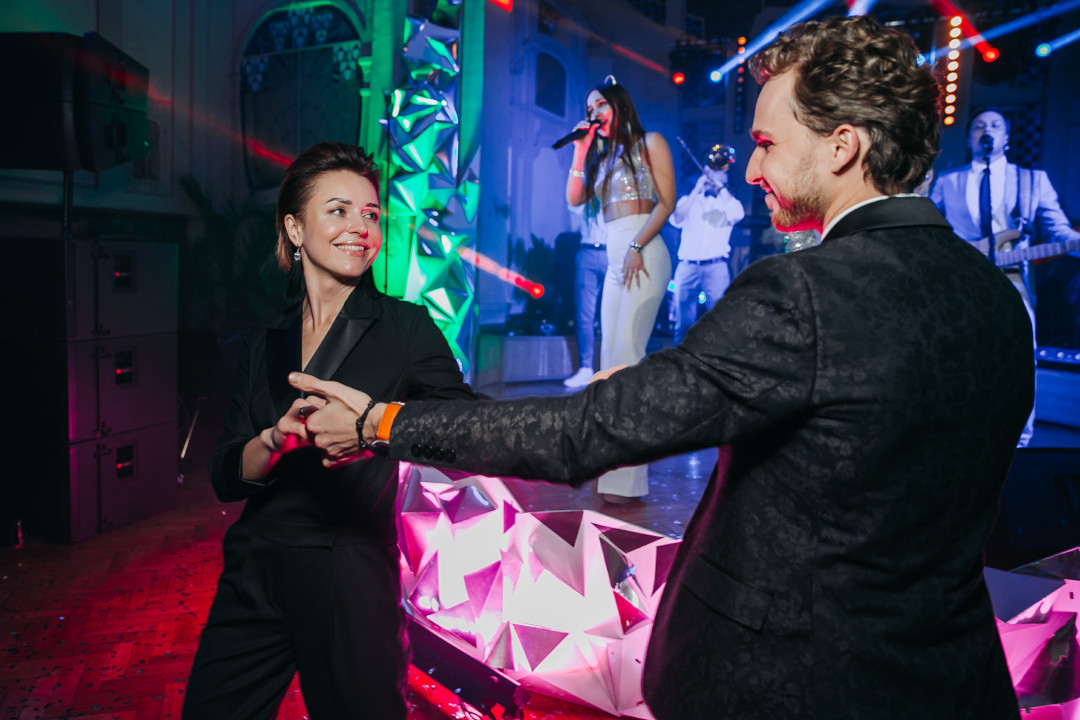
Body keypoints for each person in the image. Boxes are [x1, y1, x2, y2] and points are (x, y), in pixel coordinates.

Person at [292, 16, 1032, 719]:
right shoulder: (995, 299)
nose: (751, 169)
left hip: (792, 686)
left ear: (841, 146)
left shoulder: (804, 292)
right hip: (952, 683)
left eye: (766, 144)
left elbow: (582, 433)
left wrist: (379, 422)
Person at [182, 142, 474, 720]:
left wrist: (374, 427)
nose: (361, 228)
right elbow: (224, 476)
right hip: (256, 567)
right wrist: (273, 442)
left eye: (371, 214)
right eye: (338, 211)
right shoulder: (266, 341)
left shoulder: (406, 327)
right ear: (295, 228)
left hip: (350, 574)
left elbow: (465, 434)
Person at [931, 108, 1080, 446]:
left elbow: (1058, 231)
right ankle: (957, 434)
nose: (987, 130)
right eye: (979, 126)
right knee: (959, 354)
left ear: (1007, 138)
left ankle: (1020, 441)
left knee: (1019, 356)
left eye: (996, 125)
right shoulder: (947, 181)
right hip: (961, 280)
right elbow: (929, 231)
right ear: (969, 138)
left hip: (1012, 279)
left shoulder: (1032, 180)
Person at [564, 75, 676, 502]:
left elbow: (667, 202)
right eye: (589, 109)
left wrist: (635, 246)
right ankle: (610, 467)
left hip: (642, 251)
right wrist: (580, 150)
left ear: (619, 104)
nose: (595, 114)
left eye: (601, 106)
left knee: (628, 356)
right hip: (616, 256)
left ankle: (627, 482)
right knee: (609, 360)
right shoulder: (603, 158)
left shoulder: (651, 142)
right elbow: (574, 198)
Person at [668, 154, 745, 344]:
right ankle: (680, 359)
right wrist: (697, 189)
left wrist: (720, 188)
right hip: (687, 266)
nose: (715, 176)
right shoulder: (688, 200)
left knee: (719, 321)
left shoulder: (728, 204)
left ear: (726, 177)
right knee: (683, 324)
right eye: (712, 172)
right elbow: (676, 219)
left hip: (716, 268)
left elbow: (738, 215)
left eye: (720, 173)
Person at [563, 198, 607, 388]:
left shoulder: (617, 186)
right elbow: (573, 206)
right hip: (587, 251)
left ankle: (611, 367)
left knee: (613, 315)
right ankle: (585, 368)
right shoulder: (587, 192)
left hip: (612, 252)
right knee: (584, 315)